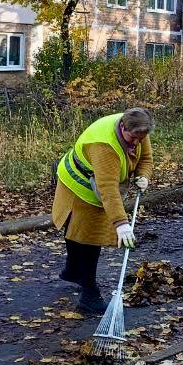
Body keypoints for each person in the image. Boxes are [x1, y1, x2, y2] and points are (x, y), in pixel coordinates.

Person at [53, 108, 154, 315]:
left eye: (141, 138)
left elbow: (146, 159)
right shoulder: (105, 146)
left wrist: (143, 175)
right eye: (133, 137)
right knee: (90, 236)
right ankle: (89, 297)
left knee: (79, 228)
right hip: (80, 181)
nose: (137, 142)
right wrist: (120, 223)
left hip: (96, 182)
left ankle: (72, 271)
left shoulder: (139, 128)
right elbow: (108, 188)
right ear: (123, 127)